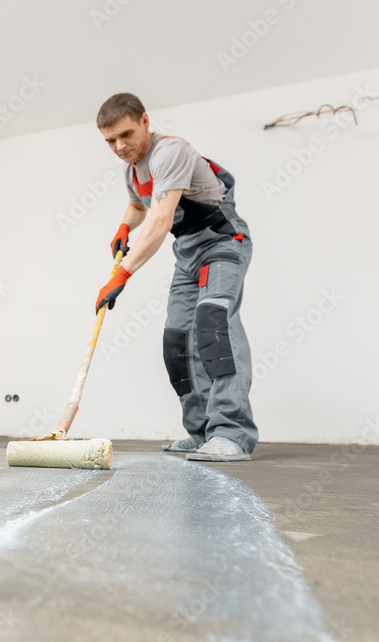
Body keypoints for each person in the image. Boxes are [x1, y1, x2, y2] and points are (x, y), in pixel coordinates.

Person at [93, 93, 258, 462]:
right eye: (110, 141)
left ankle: (231, 433)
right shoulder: (132, 169)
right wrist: (125, 226)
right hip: (187, 255)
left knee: (213, 325)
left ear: (145, 121)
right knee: (177, 341)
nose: (119, 147)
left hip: (221, 244)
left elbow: (160, 219)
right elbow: (139, 205)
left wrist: (122, 274)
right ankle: (201, 432)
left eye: (125, 134)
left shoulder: (169, 152)